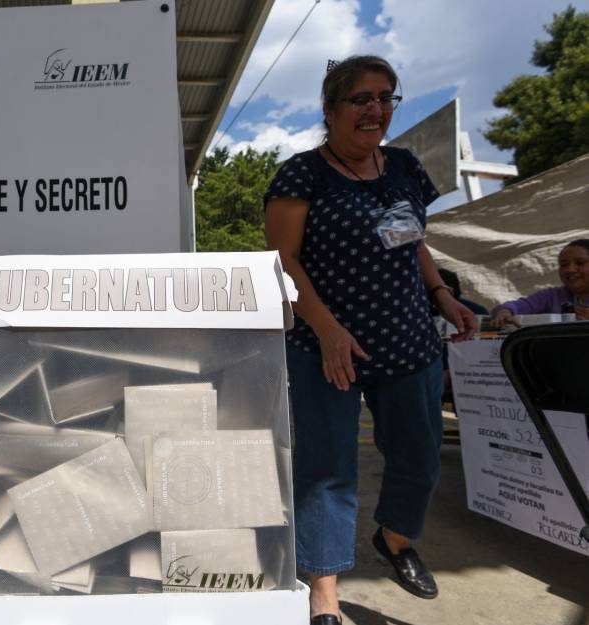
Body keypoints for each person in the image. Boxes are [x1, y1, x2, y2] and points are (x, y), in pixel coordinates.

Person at [264, 55, 476, 624]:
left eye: (386, 97)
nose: (375, 109)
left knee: (419, 456)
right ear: (330, 109)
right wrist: (329, 330)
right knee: (327, 471)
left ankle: (396, 541)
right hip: (325, 349)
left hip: (409, 343)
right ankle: (324, 589)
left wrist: (442, 296)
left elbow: (414, 243)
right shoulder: (301, 174)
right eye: (361, 98)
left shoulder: (404, 165)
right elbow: (281, 263)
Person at [490, 239, 589, 327]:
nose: (570, 270)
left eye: (580, 263)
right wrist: (504, 312)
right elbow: (516, 306)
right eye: (564, 265)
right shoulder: (551, 296)